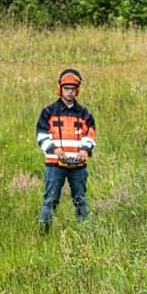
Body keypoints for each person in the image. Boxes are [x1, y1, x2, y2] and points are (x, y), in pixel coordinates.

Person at [36, 68, 96, 232]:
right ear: (60, 88)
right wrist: (55, 150)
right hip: (54, 165)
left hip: (78, 165)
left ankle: (86, 234)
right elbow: (42, 135)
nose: (69, 92)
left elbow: (90, 134)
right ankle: (43, 234)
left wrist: (84, 150)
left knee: (80, 200)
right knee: (50, 200)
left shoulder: (84, 113)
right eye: (66, 89)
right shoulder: (48, 112)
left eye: (72, 89)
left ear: (77, 90)